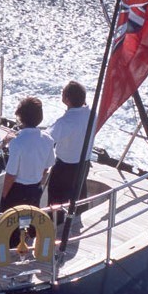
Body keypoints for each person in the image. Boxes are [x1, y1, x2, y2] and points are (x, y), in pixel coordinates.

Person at [47, 81, 91, 225]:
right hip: (84, 163)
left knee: (56, 201)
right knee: (79, 195)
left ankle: (55, 226)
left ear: (66, 99)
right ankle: (78, 222)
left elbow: (47, 139)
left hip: (65, 167)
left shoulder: (65, 122)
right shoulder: (91, 114)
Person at [1, 97, 56, 211]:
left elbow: (11, 175)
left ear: (21, 117)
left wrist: (3, 197)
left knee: (12, 220)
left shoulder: (16, 142)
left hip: (17, 192)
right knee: (31, 218)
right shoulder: (48, 140)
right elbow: (46, 167)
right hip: (35, 190)